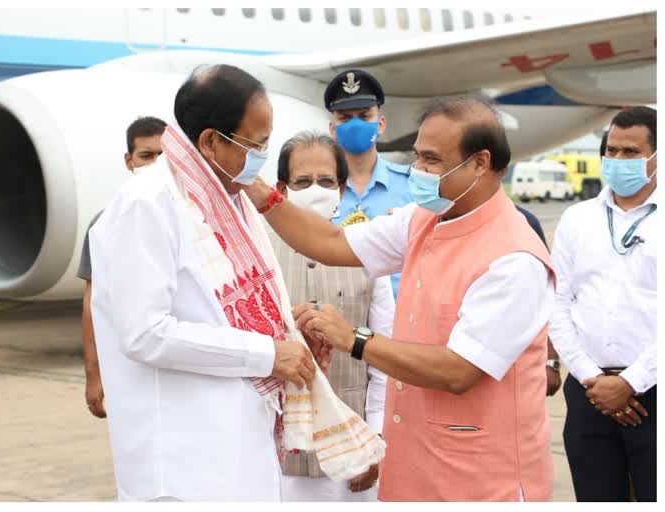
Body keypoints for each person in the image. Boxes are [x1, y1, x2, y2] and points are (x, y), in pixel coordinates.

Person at [247, 95, 555, 501]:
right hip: (415, 466)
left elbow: (458, 370)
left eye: (432, 160)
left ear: (480, 163)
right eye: (418, 157)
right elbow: (333, 241)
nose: (418, 171)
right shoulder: (425, 218)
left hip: (481, 480)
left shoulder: (515, 259)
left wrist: (353, 339)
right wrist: (260, 194)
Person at [87, 64, 324, 502]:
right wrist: (266, 352)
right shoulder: (148, 203)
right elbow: (144, 333)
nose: (261, 156)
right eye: (255, 144)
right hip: (183, 465)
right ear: (211, 141)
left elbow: (218, 307)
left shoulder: (226, 195)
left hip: (235, 451)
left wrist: (283, 330)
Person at [271, 132, 393, 502]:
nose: (315, 190)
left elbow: (383, 362)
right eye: (302, 182)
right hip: (273, 453)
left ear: (341, 188)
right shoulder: (256, 252)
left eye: (326, 181)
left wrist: (376, 439)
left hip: (349, 448)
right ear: (281, 187)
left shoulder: (367, 253)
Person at [549, 106, 657, 502]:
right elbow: (557, 306)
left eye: (630, 152)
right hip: (587, 394)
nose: (617, 160)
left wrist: (631, 382)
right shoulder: (577, 219)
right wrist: (592, 379)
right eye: (611, 150)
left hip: (653, 393)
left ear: (655, 158)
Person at [76, 116, 166, 419]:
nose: (155, 163)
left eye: (163, 155)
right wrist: (94, 374)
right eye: (146, 156)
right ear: (129, 161)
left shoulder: (196, 217)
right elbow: (93, 302)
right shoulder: (105, 224)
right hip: (132, 367)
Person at [325, 69, 413, 297]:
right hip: (337, 317)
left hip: (399, 323)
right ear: (332, 128)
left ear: (381, 124)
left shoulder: (412, 186)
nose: (355, 124)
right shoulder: (318, 191)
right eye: (344, 117)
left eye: (364, 116)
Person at [514, 204, 563, 396]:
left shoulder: (524, 221)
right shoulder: (420, 220)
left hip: (515, 363)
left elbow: (546, 295)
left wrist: (551, 361)